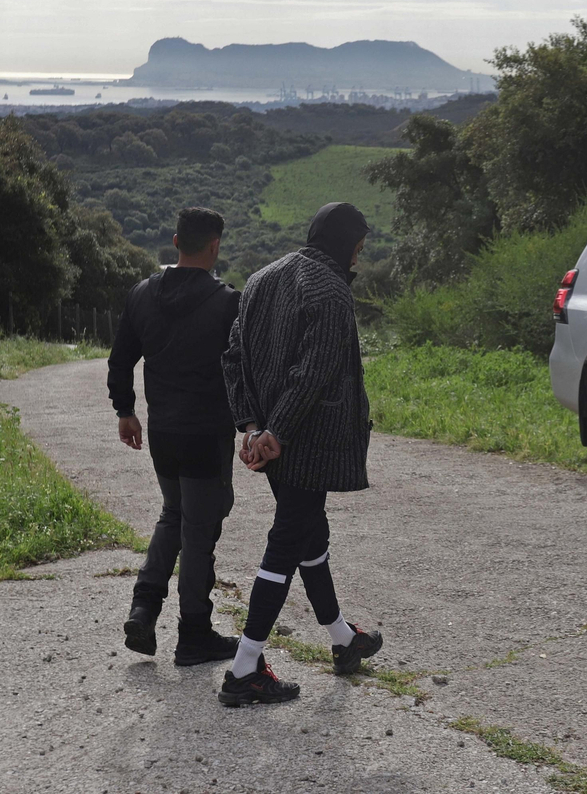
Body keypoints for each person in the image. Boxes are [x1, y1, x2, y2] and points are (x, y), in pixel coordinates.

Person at [217, 201, 384, 707]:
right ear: (344, 243)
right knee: (289, 539)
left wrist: (252, 427)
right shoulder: (331, 291)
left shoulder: (263, 277)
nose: (359, 257)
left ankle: (340, 637)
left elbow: (233, 355)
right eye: (358, 247)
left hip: (272, 438)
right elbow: (313, 372)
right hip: (306, 443)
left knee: (311, 530)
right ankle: (245, 667)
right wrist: (280, 433)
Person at [107, 207, 242, 666]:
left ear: (175, 240)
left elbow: (120, 357)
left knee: (174, 514)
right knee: (199, 530)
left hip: (162, 432)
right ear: (215, 246)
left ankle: (143, 610)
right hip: (207, 435)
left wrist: (125, 410)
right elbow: (243, 372)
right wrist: (252, 426)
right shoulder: (227, 302)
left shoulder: (142, 294)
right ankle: (195, 634)